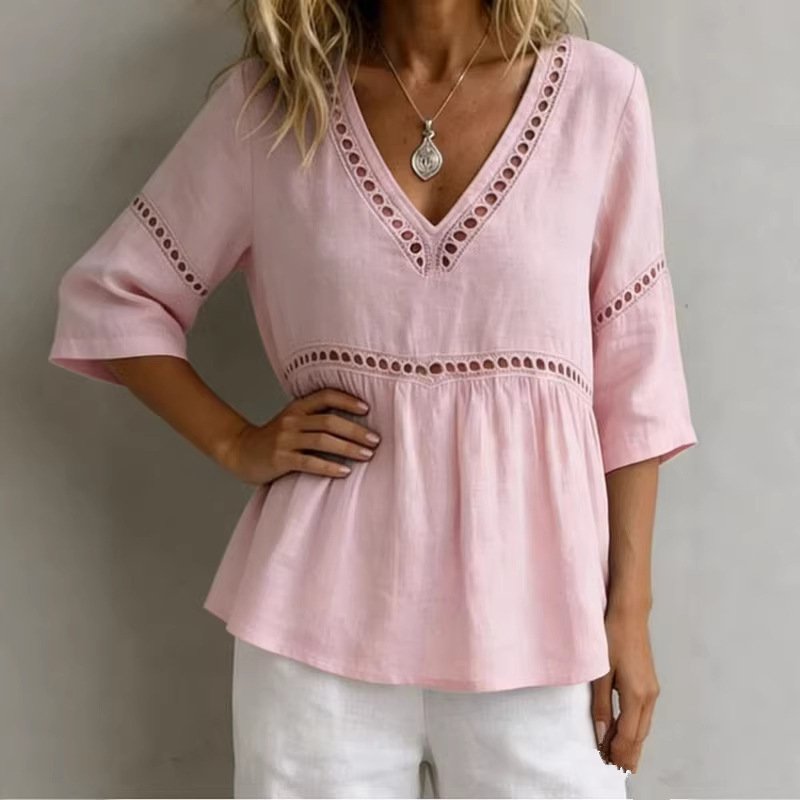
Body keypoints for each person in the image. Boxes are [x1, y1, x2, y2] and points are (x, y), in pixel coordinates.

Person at [47, 0, 699, 797]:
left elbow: (636, 379)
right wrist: (234, 441)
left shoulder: (600, 98)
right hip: (315, 635)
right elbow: (115, 296)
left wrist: (629, 613)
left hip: (544, 626)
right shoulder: (273, 107)